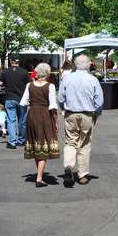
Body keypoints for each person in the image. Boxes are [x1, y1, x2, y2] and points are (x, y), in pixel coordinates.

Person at [58, 54, 104, 187]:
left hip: (71, 113)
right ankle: (82, 174)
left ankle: (68, 166)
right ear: (88, 65)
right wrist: (97, 112)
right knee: (84, 143)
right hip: (87, 114)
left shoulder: (67, 78)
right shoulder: (93, 79)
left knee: (70, 141)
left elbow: (61, 97)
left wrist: (64, 108)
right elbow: (99, 101)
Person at [20, 63, 60, 187]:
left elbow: (23, 102)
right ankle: (39, 178)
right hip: (45, 115)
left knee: (37, 144)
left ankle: (39, 175)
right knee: (43, 145)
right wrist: (56, 121)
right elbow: (53, 105)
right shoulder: (50, 86)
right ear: (47, 73)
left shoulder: (29, 85)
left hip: (32, 114)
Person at [0, 58, 31, 149]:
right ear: (19, 62)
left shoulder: (5, 71)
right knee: (22, 121)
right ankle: (21, 140)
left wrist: (6, 84)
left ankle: (12, 142)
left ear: (11, 62)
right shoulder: (24, 72)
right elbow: (30, 84)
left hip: (10, 98)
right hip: (22, 99)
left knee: (11, 120)